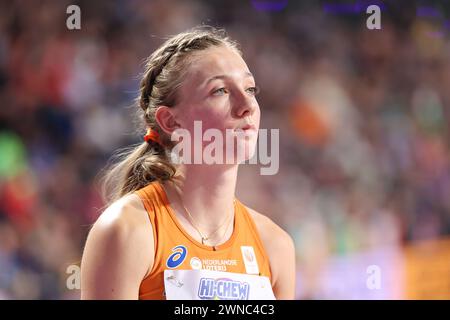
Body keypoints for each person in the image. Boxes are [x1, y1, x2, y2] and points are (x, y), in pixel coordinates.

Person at [80, 26, 295, 300]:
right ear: (170, 121)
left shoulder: (275, 245)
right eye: (219, 91)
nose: (247, 106)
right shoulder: (127, 231)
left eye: (250, 88)